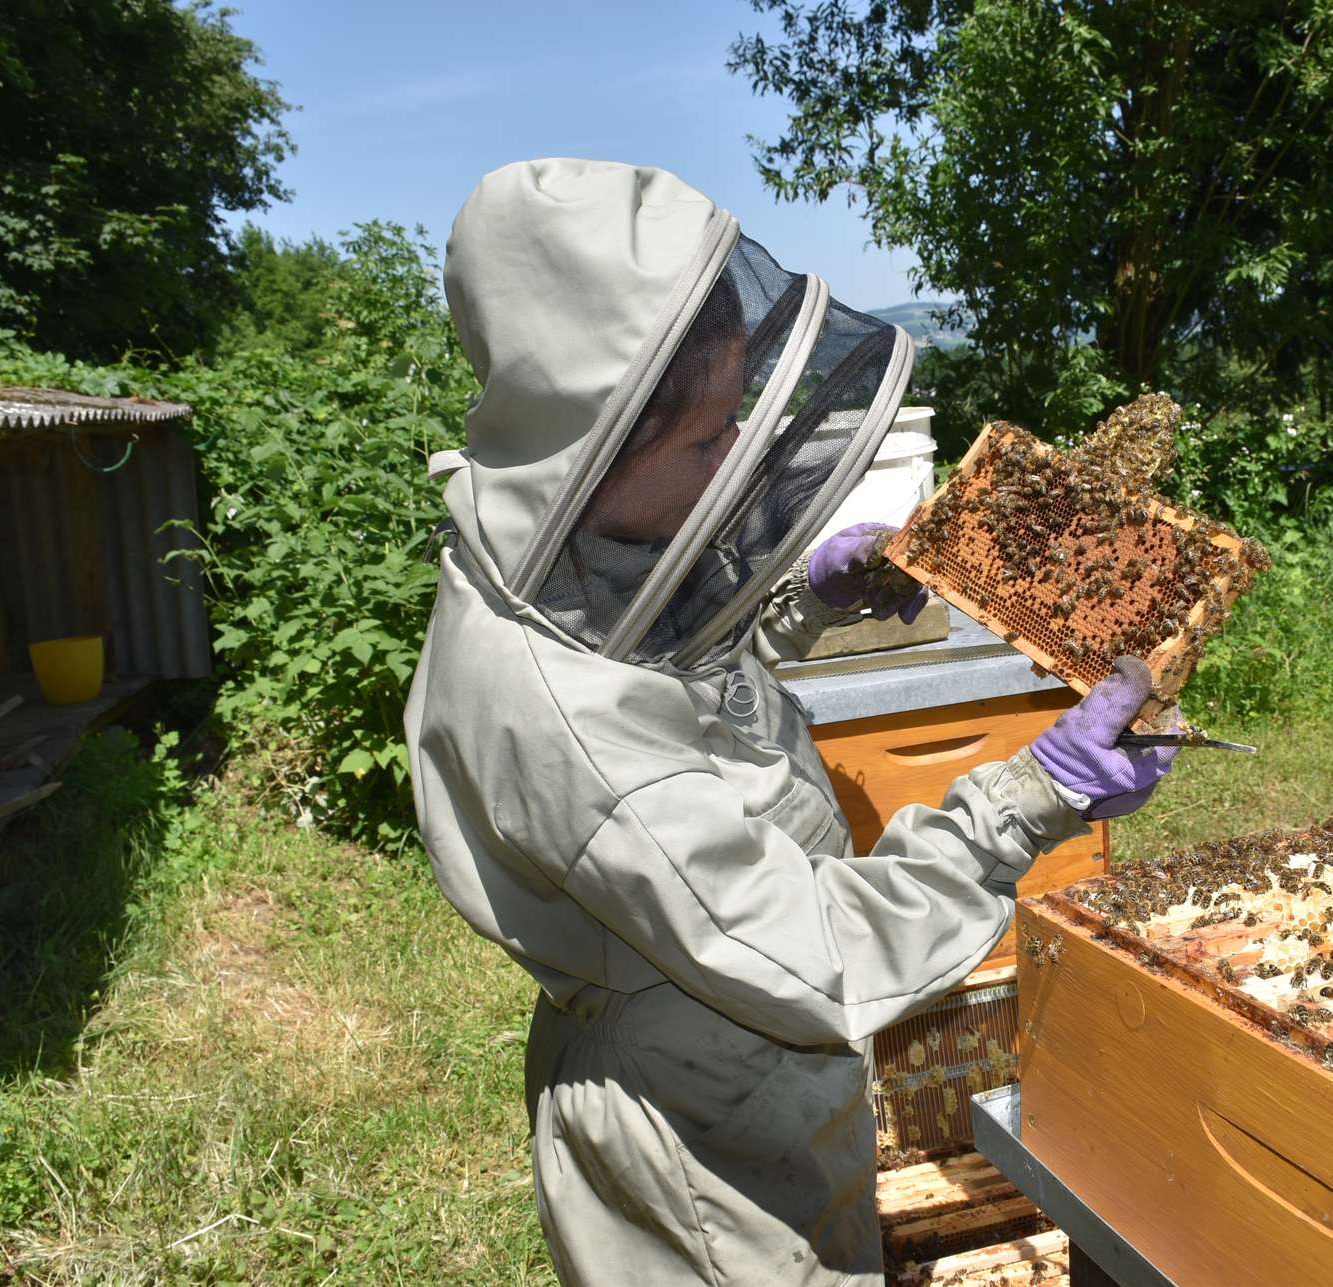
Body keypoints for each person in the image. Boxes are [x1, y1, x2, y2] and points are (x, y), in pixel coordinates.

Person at [404, 158, 1179, 1287]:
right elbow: (815, 952)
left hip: (737, 1054)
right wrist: (1031, 797)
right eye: (710, 439)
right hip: (699, 1140)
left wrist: (807, 597)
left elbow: (674, 673)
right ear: (593, 442)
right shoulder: (558, 713)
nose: (737, 462)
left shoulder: (566, 554)